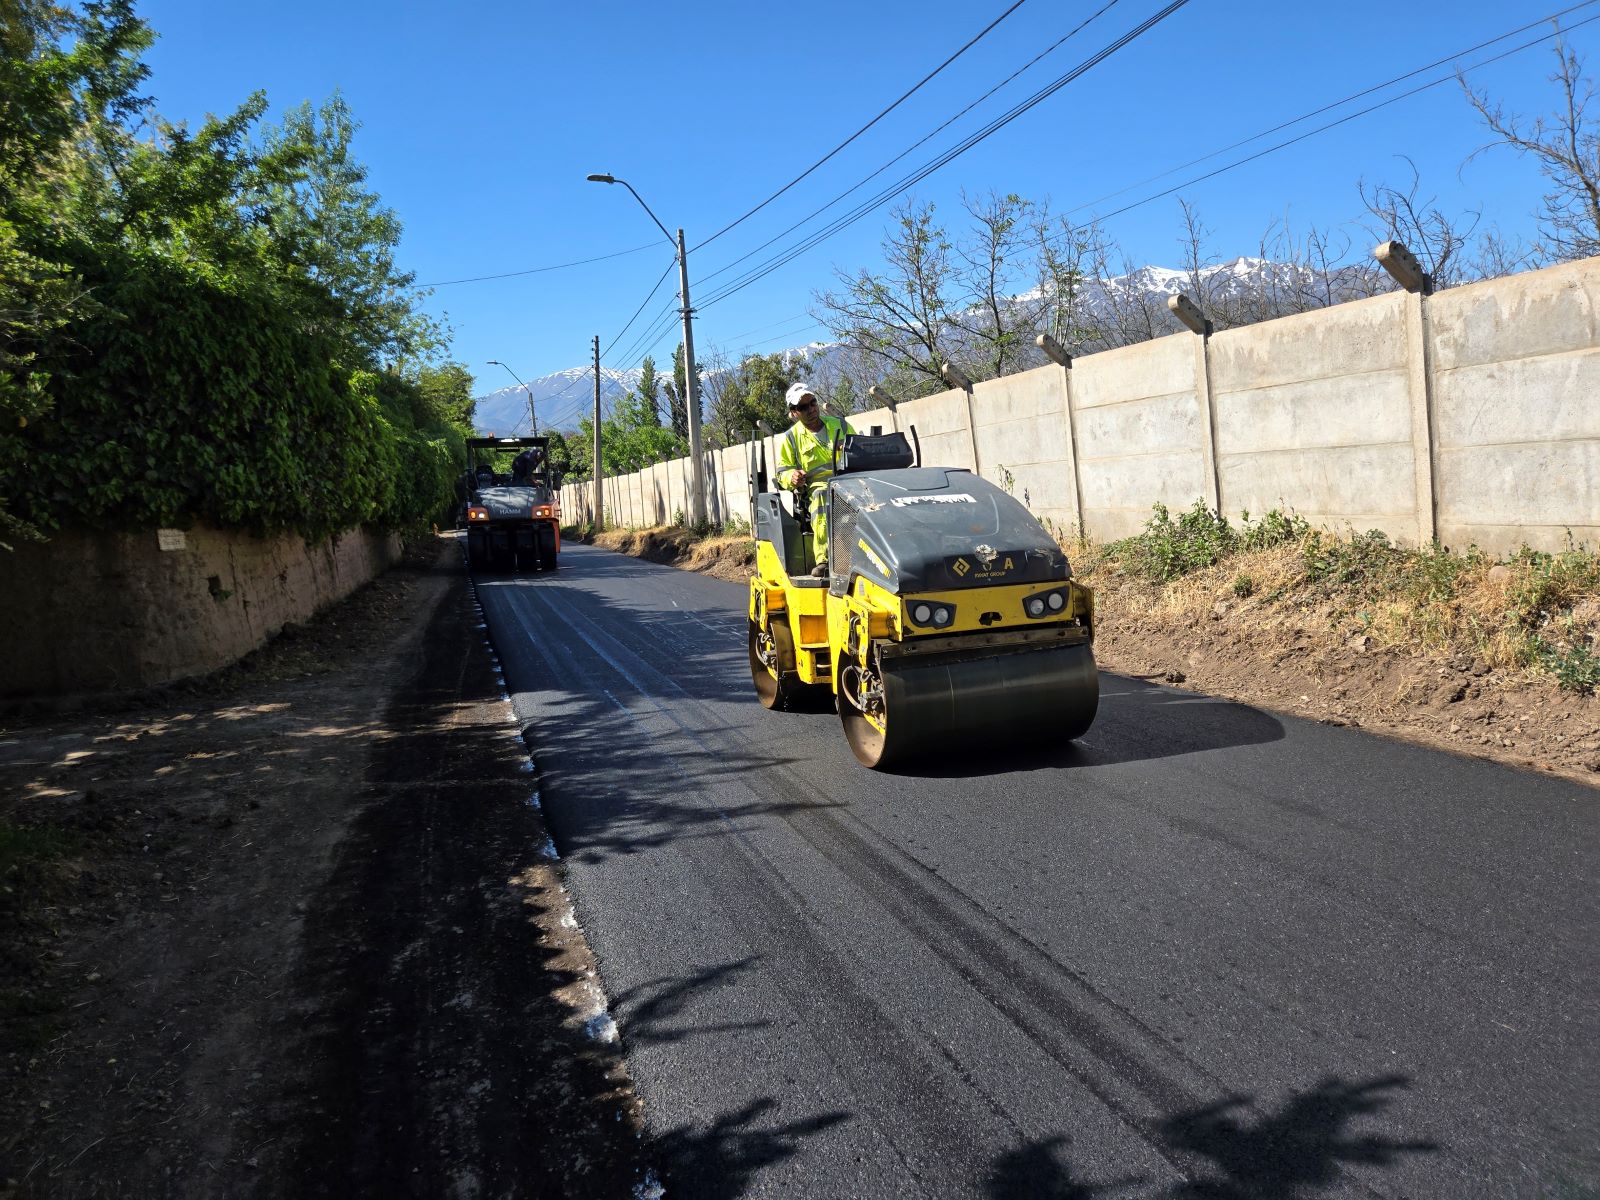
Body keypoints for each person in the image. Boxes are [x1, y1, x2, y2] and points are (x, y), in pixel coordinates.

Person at [777, 382, 854, 577]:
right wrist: (792, 477)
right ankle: (825, 560)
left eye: (813, 403)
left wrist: (848, 449)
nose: (811, 409)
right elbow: (782, 472)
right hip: (818, 488)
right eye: (804, 407)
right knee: (821, 496)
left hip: (850, 481)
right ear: (794, 413)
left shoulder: (841, 425)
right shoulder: (791, 438)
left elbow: (861, 449)